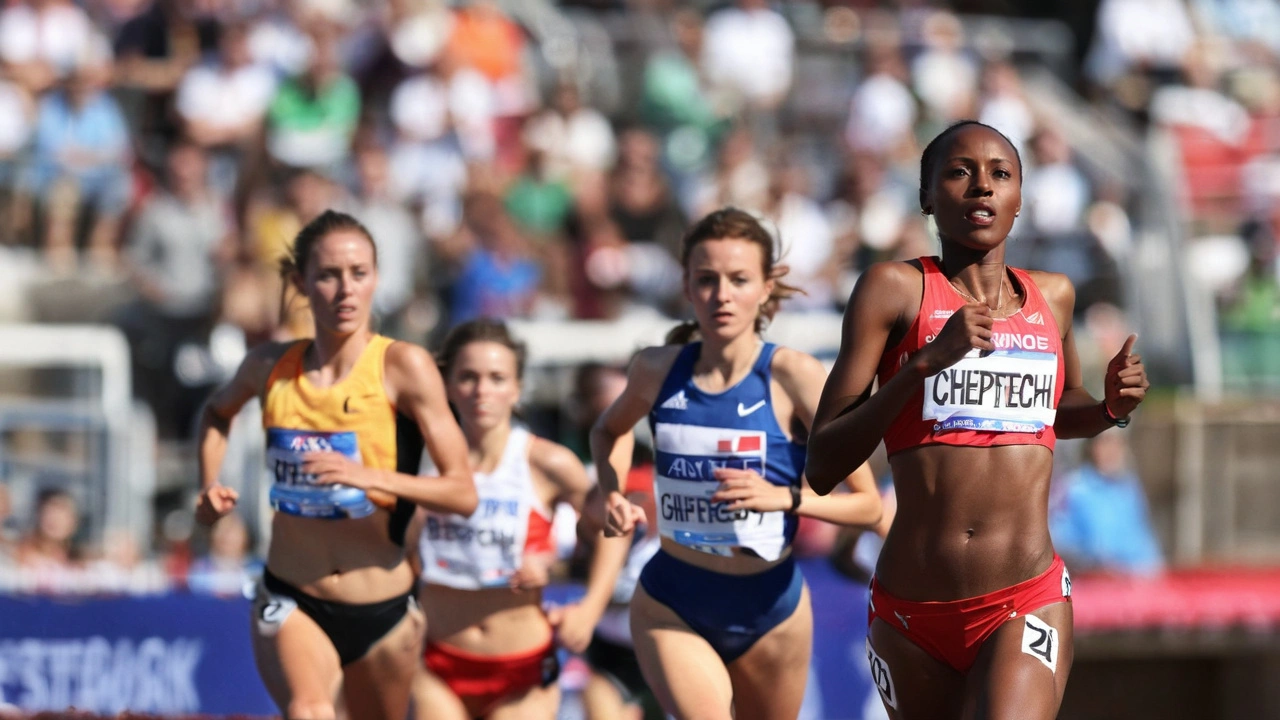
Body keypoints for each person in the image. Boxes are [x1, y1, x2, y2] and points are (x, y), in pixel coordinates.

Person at [806, 120, 1150, 720]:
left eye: (1000, 175)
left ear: (1021, 200)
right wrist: (921, 366)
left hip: (1025, 598)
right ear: (926, 196)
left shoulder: (1055, 297)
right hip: (911, 612)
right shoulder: (894, 290)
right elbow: (823, 463)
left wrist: (1104, 411)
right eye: (960, 172)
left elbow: (1057, 410)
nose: (982, 188)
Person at [593, 207, 884, 720]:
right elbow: (608, 430)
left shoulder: (794, 375)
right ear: (686, 285)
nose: (721, 295)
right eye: (706, 279)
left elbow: (866, 505)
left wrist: (784, 498)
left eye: (738, 279)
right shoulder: (657, 369)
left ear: (767, 287)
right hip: (673, 599)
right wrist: (612, 493)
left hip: (771, 609)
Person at [195, 209, 477, 720]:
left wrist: (369, 477)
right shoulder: (267, 367)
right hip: (293, 595)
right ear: (301, 282)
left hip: (385, 611)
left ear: (375, 280)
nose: (345, 290)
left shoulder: (403, 367)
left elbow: (462, 492)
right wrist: (208, 484)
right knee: (310, 710)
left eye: (359, 273)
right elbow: (217, 414)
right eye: (328, 275)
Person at [407, 319, 628, 720]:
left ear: (517, 388)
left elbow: (613, 530)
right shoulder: (421, 461)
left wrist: (590, 607)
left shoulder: (546, 463)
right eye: (468, 377)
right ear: (447, 384)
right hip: (437, 660)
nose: (482, 391)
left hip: (521, 668)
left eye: (497, 378)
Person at [1049, 432, 1163, 576]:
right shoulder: (1073, 489)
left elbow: (1144, 540)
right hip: (1092, 582)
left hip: (1135, 580)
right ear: (1091, 448)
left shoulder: (1129, 488)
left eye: (1118, 444)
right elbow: (1061, 541)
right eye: (1106, 443)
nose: (1112, 451)